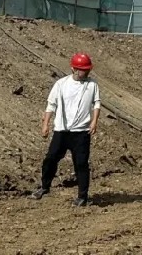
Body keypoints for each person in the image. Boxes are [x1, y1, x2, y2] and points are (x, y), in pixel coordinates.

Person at [31, 52, 101, 207]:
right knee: (50, 158)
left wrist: (94, 121)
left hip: (81, 132)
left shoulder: (92, 85)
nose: (86, 72)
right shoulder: (61, 84)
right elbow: (51, 105)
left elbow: (96, 104)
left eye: (88, 69)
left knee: (81, 164)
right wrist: (46, 124)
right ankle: (44, 186)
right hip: (61, 131)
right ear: (74, 69)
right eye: (83, 70)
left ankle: (82, 196)